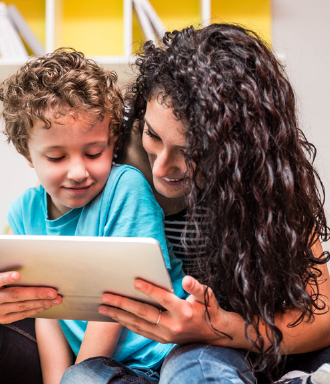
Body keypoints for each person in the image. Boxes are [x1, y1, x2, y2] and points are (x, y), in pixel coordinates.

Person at [0, 49, 184, 384]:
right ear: (28, 154)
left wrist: (76, 376)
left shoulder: (124, 188)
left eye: (94, 152)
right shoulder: (24, 212)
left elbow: (117, 304)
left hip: (149, 361)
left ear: (112, 143)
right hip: (77, 363)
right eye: (56, 157)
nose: (78, 171)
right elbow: (46, 311)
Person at [93, 23, 330, 383]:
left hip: (212, 345)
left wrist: (218, 328)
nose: (161, 167)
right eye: (153, 136)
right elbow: (47, 226)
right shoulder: (109, 144)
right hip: (119, 344)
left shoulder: (269, 181)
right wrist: (9, 274)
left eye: (193, 153)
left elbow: (323, 317)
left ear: (240, 149)